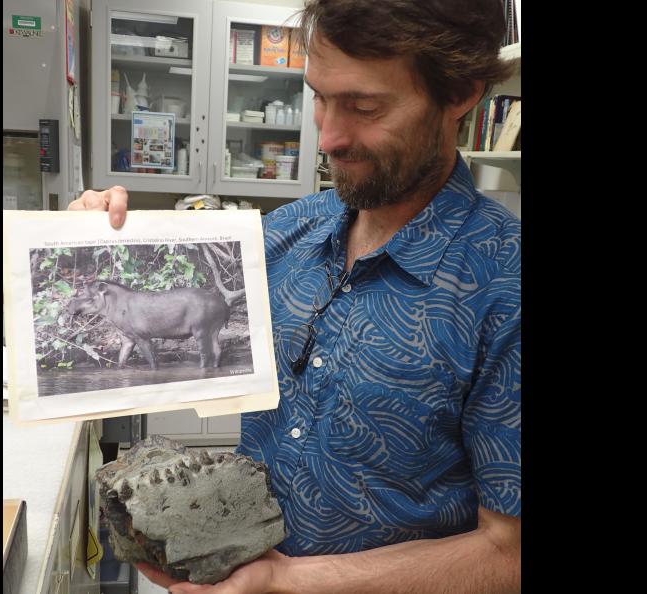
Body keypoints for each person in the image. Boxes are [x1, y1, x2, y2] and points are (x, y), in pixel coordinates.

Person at [70, 0, 521, 592]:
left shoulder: (503, 282)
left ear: (461, 92)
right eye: (317, 97)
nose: (329, 135)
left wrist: (284, 582)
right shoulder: (286, 234)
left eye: (364, 107)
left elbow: (510, 554)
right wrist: (89, 236)